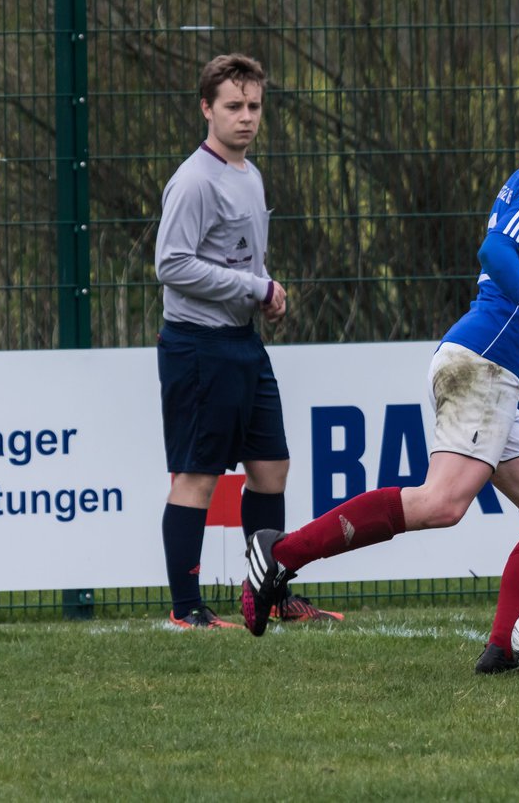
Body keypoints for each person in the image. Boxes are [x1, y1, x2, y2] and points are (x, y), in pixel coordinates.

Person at [240, 77, 519, 673]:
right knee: (441, 503)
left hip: (494, 371)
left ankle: (503, 649)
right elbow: (496, 251)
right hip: (483, 361)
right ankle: (282, 555)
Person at [154, 53, 341, 630]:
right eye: (233, 106)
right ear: (206, 109)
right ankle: (187, 611)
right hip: (197, 346)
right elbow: (171, 264)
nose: (246, 117)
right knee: (198, 476)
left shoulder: (249, 173)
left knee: (271, 469)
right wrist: (253, 284)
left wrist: (266, 294)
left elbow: (241, 263)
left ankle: (269, 593)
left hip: (243, 343)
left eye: (254, 106)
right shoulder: (193, 181)